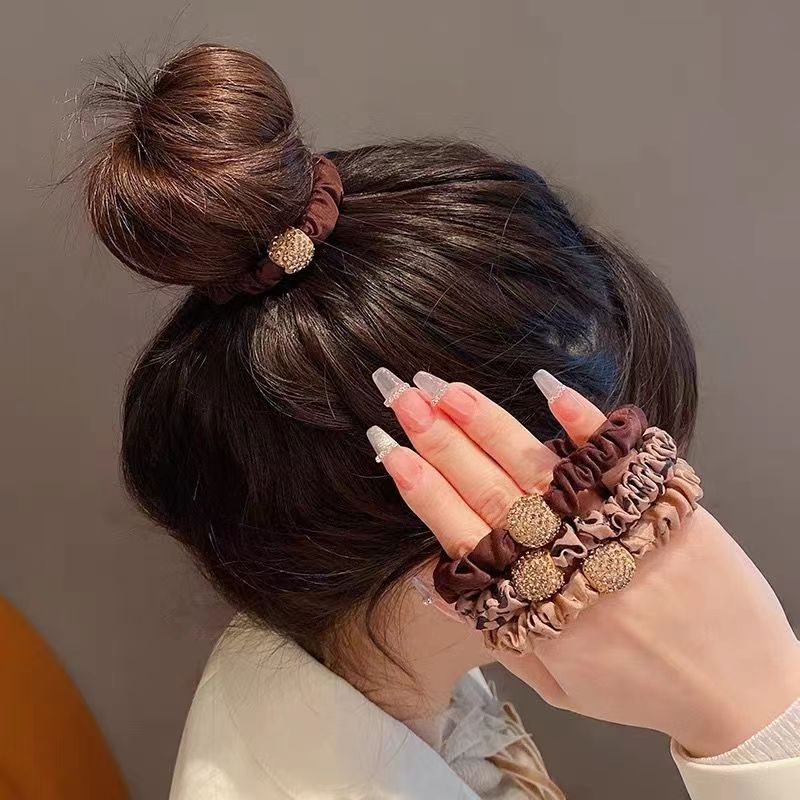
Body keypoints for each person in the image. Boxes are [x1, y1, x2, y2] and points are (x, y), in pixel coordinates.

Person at [75, 42, 799, 799]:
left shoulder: (377, 677)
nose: (652, 517)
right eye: (613, 488)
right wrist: (755, 715)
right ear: (465, 519)